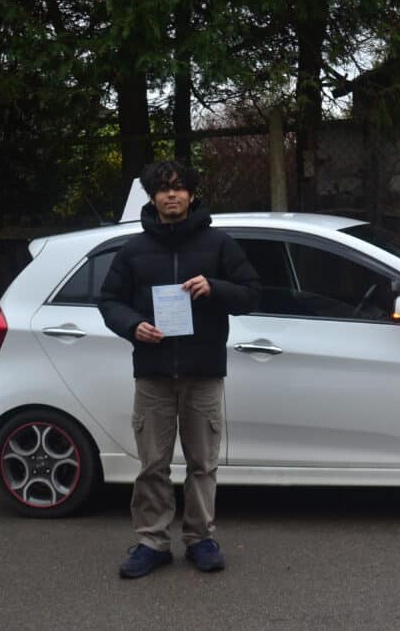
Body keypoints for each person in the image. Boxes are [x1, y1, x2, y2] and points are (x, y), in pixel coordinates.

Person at [99, 161, 261, 578]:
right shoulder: (134, 250)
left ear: (192, 194)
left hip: (203, 373)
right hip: (152, 374)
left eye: (179, 188)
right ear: (153, 197)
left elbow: (251, 293)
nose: (172, 195)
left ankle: (200, 539)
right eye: (164, 189)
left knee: (202, 463)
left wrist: (215, 288)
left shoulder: (219, 244)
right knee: (151, 464)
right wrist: (133, 326)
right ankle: (151, 542)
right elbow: (109, 301)